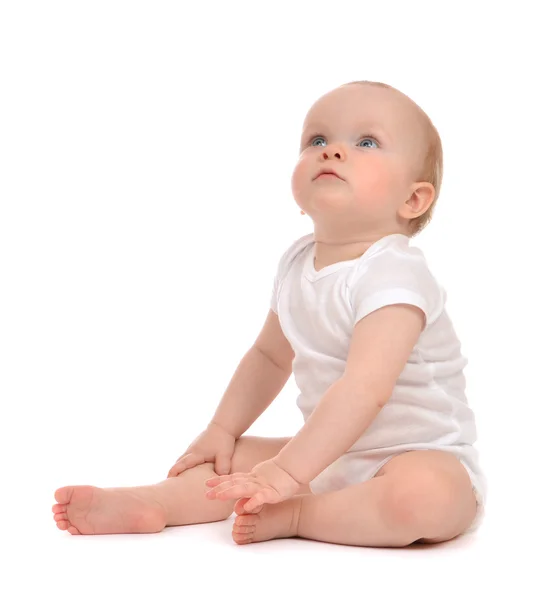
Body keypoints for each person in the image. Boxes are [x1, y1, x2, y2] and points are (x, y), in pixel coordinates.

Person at [52, 80, 487, 547]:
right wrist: (222, 429)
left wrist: (284, 473)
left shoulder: (395, 273)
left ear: (413, 200)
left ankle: (300, 513)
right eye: (317, 140)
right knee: (225, 459)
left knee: (425, 499)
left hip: (417, 456)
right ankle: (157, 501)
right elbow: (269, 358)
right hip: (330, 453)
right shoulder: (298, 264)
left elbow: (366, 389)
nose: (333, 151)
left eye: (366, 142)